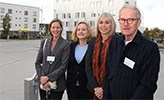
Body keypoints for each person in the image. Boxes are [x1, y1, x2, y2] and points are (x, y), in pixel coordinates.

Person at [103, 5, 160, 100]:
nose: (125, 24)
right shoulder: (114, 43)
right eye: (122, 20)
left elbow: (147, 84)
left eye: (130, 20)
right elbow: (108, 74)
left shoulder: (150, 48)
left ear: (138, 22)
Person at [35, 19, 70, 100]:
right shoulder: (44, 42)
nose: (55, 30)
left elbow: (64, 66)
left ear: (61, 29)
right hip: (43, 84)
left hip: (57, 85)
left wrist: (48, 78)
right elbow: (37, 63)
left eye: (58, 27)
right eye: (53, 27)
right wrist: (43, 78)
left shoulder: (65, 44)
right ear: (50, 29)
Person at [85, 12, 116, 100]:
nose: (103, 25)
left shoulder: (117, 41)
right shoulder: (93, 41)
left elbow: (116, 69)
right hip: (94, 89)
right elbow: (88, 65)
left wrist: (104, 89)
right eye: (101, 22)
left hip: (111, 90)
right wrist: (96, 87)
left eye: (107, 22)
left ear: (112, 25)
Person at [66, 21, 93, 100]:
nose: (81, 31)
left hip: (86, 87)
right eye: (78, 29)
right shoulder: (71, 46)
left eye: (83, 29)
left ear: (88, 32)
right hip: (72, 86)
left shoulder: (92, 48)